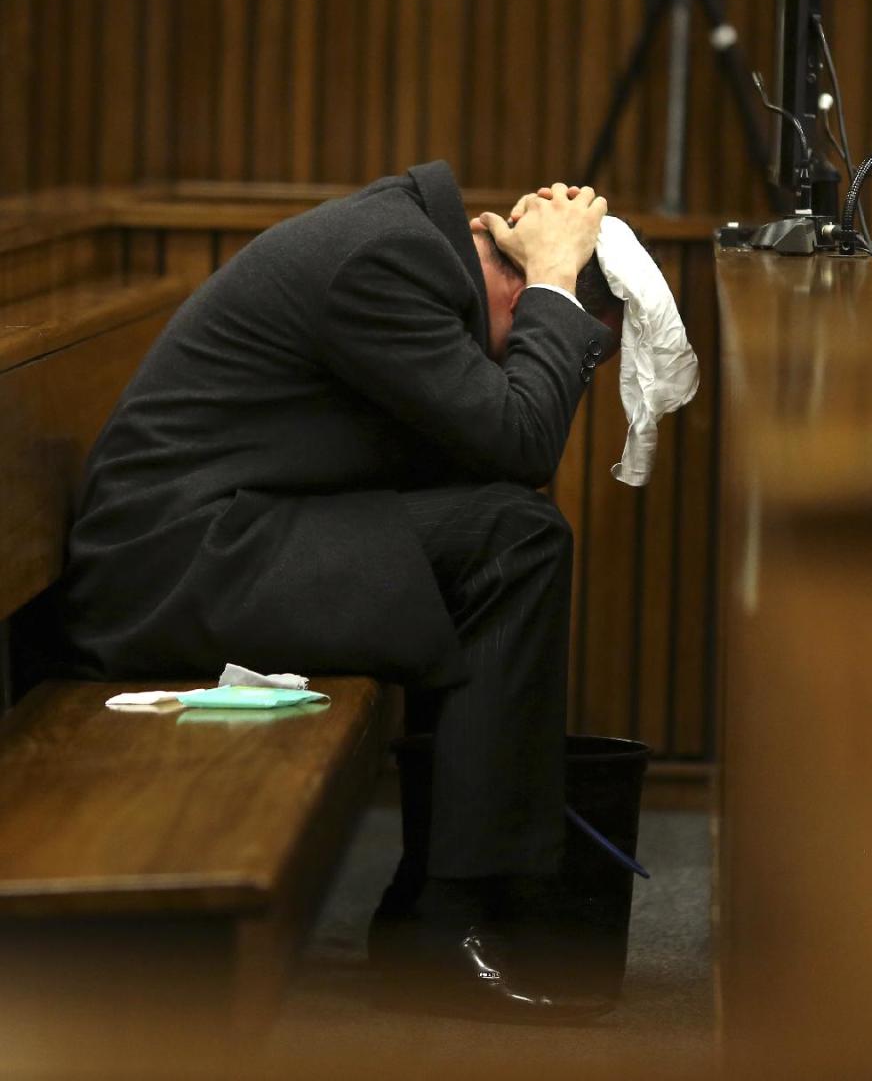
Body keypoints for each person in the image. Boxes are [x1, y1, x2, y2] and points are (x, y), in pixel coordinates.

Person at [63, 159, 623, 1020]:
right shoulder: (384, 261)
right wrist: (558, 281)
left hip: (233, 534)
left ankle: (451, 905)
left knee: (507, 532)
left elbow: (494, 450)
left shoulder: (407, 246)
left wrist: (546, 295)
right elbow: (520, 438)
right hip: (176, 567)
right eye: (537, 324)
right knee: (517, 536)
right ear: (511, 281)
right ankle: (447, 920)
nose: (514, 352)